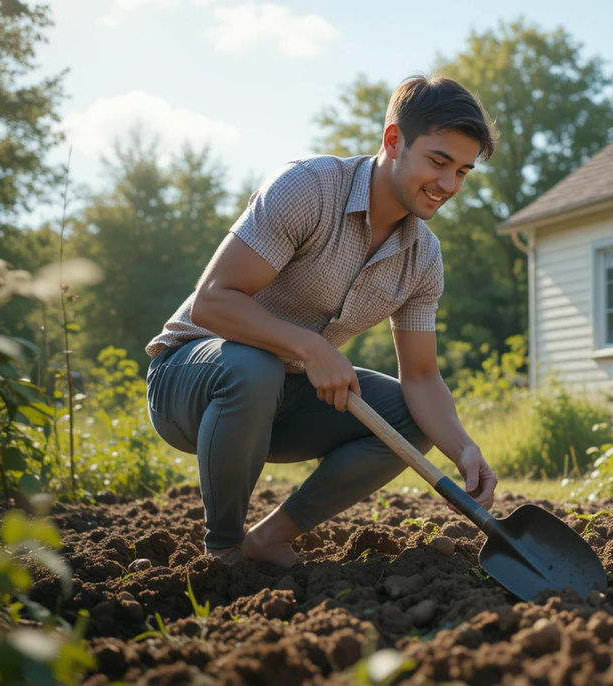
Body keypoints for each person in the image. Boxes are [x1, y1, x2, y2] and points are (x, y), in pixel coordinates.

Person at [144, 75, 499, 567]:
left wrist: (461, 448)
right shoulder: (308, 188)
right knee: (255, 366)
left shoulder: (423, 257)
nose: (448, 185)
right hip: (190, 383)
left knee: (409, 419)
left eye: (462, 171)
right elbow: (213, 302)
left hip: (282, 400)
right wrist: (311, 348)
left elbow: (421, 376)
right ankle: (223, 550)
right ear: (393, 141)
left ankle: (267, 539)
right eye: (438, 162)